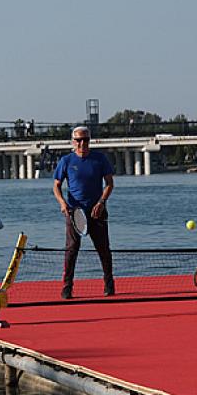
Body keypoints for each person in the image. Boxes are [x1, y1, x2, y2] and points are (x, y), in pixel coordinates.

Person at [53, 126, 115, 299]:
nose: (82, 144)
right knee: (72, 249)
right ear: (73, 142)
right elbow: (56, 186)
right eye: (79, 140)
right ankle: (67, 288)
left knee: (103, 249)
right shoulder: (66, 161)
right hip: (74, 212)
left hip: (97, 211)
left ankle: (109, 285)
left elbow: (110, 183)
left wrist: (101, 202)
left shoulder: (100, 159)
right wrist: (63, 203)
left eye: (86, 140)